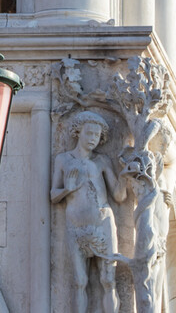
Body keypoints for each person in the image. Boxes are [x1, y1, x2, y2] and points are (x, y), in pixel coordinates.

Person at [51, 111, 133, 313]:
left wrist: (125, 174)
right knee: (80, 280)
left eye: (96, 136)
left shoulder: (102, 161)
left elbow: (119, 196)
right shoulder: (63, 160)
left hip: (102, 223)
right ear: (79, 133)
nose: (93, 139)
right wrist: (68, 189)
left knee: (108, 279)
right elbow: (53, 195)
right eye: (89, 134)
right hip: (76, 227)